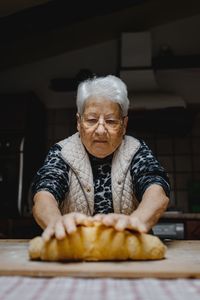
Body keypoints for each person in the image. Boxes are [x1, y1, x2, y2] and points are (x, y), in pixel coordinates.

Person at [32, 75, 170, 242]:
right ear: (78, 122)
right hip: (75, 249)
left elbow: (156, 188)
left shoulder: (136, 150)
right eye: (91, 120)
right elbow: (44, 193)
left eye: (111, 121)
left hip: (129, 248)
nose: (100, 130)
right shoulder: (61, 152)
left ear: (124, 125)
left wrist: (137, 221)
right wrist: (55, 223)